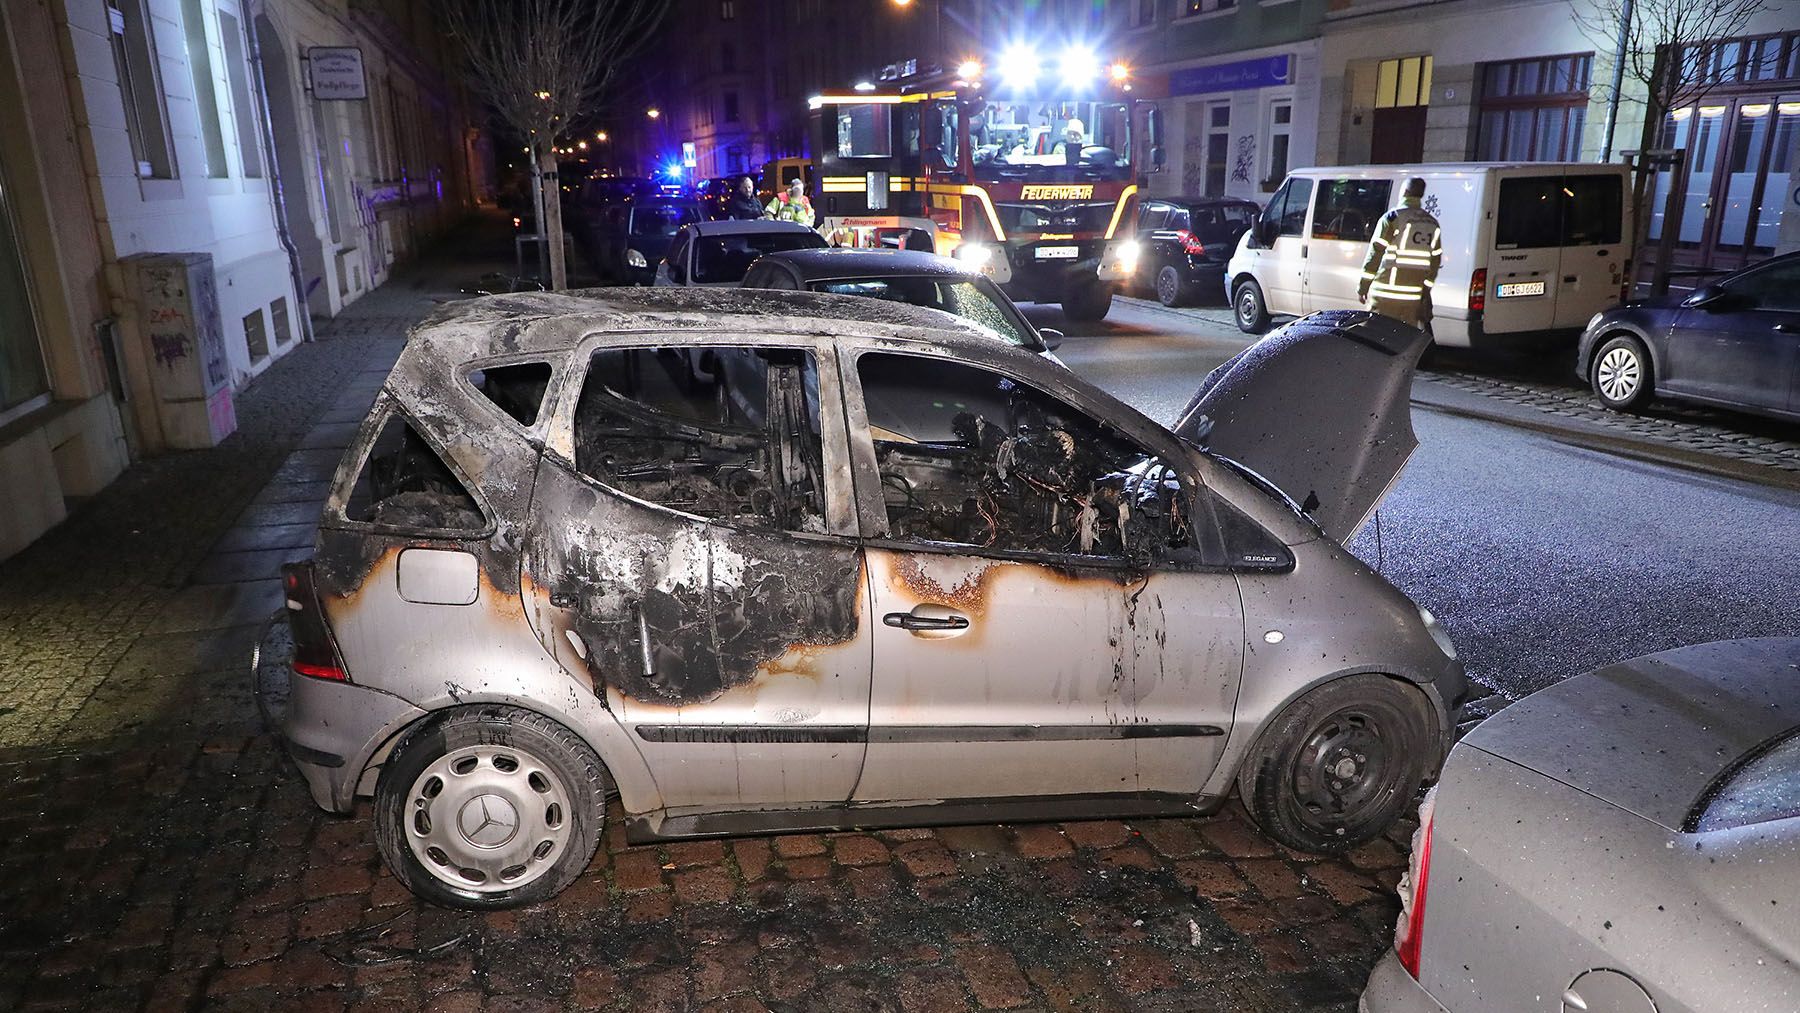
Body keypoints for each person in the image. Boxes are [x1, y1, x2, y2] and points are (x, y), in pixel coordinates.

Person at [1358, 177, 1442, 331]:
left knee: (1376, 338)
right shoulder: (1432, 224)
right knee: (1404, 340)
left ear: (1404, 192)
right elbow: (1435, 263)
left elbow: (1375, 253)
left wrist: (1363, 287)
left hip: (1385, 295)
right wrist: (1425, 291)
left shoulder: (1392, 218)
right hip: (1412, 298)